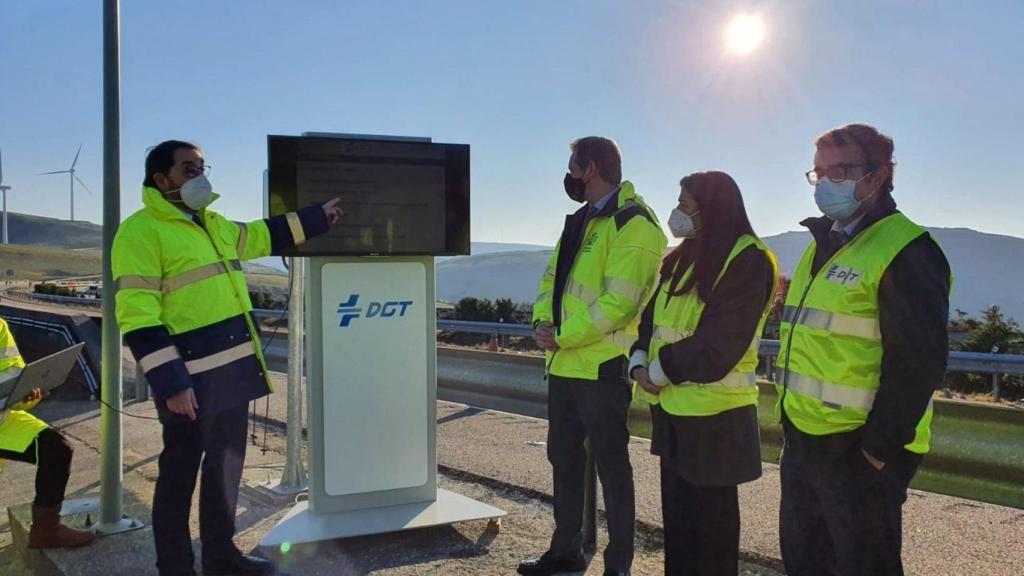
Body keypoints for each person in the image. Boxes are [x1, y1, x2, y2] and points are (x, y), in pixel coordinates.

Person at [113, 140, 343, 576]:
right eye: (188, 169)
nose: (200, 177)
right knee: (179, 480)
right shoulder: (140, 232)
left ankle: (221, 558)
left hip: (232, 373)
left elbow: (261, 235)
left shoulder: (213, 224)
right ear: (161, 180)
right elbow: (137, 315)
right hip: (190, 382)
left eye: (202, 167)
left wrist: (317, 217)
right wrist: (172, 383)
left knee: (225, 472)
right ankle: (176, 567)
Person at [776, 124, 951, 576]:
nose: (827, 183)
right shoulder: (820, 245)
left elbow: (919, 362)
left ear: (878, 175)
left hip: (858, 451)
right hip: (804, 440)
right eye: (819, 173)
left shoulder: (907, 249)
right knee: (805, 563)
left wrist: (875, 451)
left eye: (842, 169)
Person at [521, 136, 667, 576]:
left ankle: (617, 565)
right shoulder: (580, 220)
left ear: (593, 167)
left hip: (603, 369)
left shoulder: (634, 224)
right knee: (563, 462)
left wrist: (561, 335)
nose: (569, 175)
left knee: (613, 470)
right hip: (564, 365)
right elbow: (552, 281)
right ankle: (564, 554)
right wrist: (541, 326)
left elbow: (619, 303)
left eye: (573, 166)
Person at [630, 171, 777, 576]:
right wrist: (638, 360)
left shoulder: (747, 259)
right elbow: (651, 321)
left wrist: (656, 373)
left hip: (718, 420)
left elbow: (720, 344)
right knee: (680, 530)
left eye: (684, 204)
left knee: (711, 537)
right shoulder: (681, 257)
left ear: (710, 209)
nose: (676, 212)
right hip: (675, 413)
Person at [0, 312, 94, 548]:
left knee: (56, 448)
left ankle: (46, 529)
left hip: (3, 418)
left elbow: (13, 378)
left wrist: (28, 395)